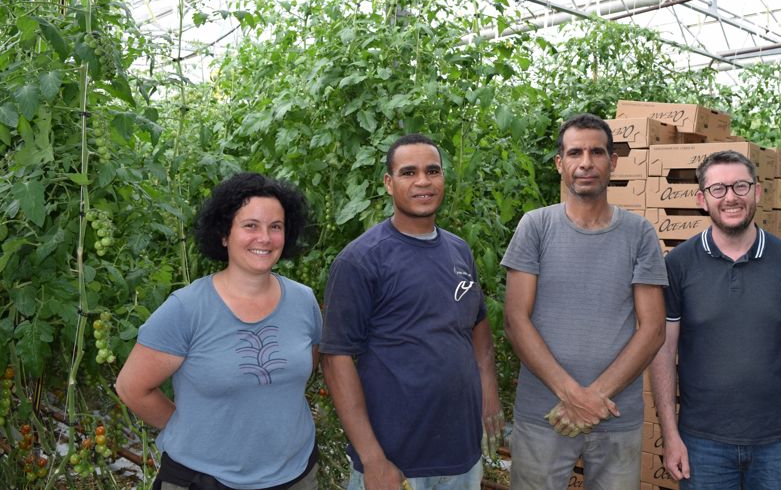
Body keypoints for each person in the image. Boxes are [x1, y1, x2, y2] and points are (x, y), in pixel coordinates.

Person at [320, 133, 503, 490]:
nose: (423, 181)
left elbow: (477, 324)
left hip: (461, 455)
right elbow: (335, 359)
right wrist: (373, 460)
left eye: (432, 171)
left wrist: (489, 389)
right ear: (389, 183)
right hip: (395, 462)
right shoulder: (361, 260)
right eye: (408, 173)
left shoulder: (458, 250)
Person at [116, 172, 321, 489]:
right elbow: (132, 388)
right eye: (250, 225)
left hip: (295, 474)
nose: (264, 238)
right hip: (206, 479)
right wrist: (193, 430)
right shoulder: (186, 309)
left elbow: (306, 366)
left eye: (275, 227)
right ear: (224, 234)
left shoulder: (303, 300)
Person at [502, 113, 668, 489]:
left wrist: (594, 398)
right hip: (544, 414)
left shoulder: (639, 233)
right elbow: (515, 320)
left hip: (616, 416)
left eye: (597, 152)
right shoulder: (536, 226)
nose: (586, 163)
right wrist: (573, 395)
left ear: (613, 161)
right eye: (575, 153)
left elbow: (653, 329)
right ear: (560, 163)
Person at [649, 149, 781, 490]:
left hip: (780, 442)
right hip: (702, 444)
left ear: (757, 192)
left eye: (740, 187)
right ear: (703, 200)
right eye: (719, 189)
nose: (730, 198)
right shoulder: (679, 265)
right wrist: (670, 434)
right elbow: (662, 351)